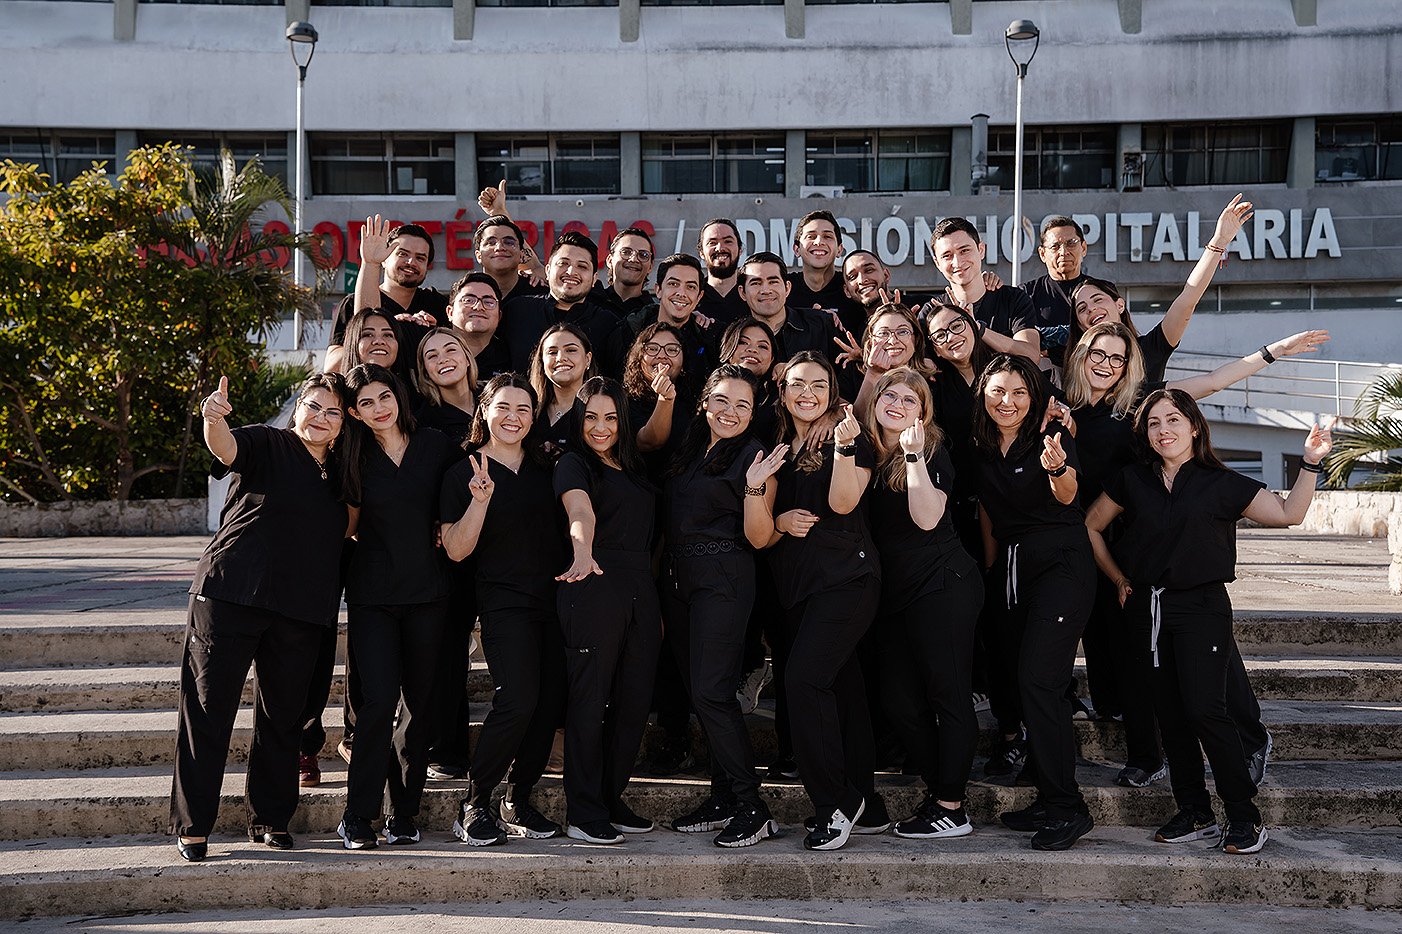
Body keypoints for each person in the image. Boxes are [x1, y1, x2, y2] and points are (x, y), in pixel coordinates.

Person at [1062, 322, 1331, 786]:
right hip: (1107, 539)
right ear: (1080, 355)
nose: (1106, 365)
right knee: (1133, 658)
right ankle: (1149, 755)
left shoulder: (1141, 406)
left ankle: (1243, 740)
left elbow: (1213, 382)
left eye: (1117, 358)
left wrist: (1273, 350)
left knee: (1210, 658)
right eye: (1097, 355)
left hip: (1166, 530)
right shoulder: (1061, 410)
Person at [1086, 390, 1332, 855]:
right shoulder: (1132, 480)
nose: (1164, 430)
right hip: (1149, 609)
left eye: (1174, 419)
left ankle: (1243, 816)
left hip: (1201, 608)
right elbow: (1091, 526)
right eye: (1154, 423)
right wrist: (1118, 578)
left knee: (1204, 711)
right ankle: (1194, 811)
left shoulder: (1220, 482)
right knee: (1171, 718)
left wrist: (1311, 462)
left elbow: (1288, 514)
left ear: (1194, 427)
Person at [170, 373, 352, 863]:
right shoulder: (268, 443)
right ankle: (193, 826)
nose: (321, 417)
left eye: (332, 412)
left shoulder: (342, 474)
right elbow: (226, 448)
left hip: (300, 609)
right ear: (297, 410)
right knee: (208, 709)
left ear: (343, 424)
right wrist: (213, 419)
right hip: (231, 592)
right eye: (313, 406)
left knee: (283, 717)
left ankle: (269, 819)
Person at [746, 351, 887, 851]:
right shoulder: (780, 446)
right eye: (798, 384)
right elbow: (762, 534)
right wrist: (779, 520)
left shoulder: (848, 436)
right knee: (841, 690)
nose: (808, 394)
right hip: (797, 587)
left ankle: (835, 803)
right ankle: (867, 802)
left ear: (833, 390)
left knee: (803, 681)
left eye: (820, 385)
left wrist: (847, 451)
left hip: (846, 580)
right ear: (782, 391)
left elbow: (845, 502)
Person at [972, 353, 1095, 851]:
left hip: (1061, 564)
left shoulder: (1052, 437)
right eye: (999, 391)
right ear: (984, 395)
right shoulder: (979, 447)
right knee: (1023, 686)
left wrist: (1058, 466)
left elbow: (1068, 495)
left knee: (1040, 682)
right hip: (1011, 569)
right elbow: (986, 513)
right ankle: (1048, 796)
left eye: (1020, 392)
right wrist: (989, 570)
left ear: (1034, 397)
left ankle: (1069, 808)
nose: (1009, 401)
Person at [335, 364, 459, 850]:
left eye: (384, 397)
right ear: (354, 412)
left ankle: (403, 813)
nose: (378, 408)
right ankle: (357, 814)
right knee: (378, 702)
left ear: (398, 396)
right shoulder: (353, 454)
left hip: (430, 592)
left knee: (419, 707)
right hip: (372, 596)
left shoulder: (435, 445)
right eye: (365, 403)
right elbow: (345, 524)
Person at [442, 375, 567, 846]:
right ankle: (474, 803)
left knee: (548, 703)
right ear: (484, 410)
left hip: (555, 602)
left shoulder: (548, 464)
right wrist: (479, 501)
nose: (513, 417)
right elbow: (455, 549)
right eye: (503, 407)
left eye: (524, 409)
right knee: (517, 699)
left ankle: (518, 798)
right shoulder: (462, 472)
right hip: (503, 602)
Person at [862, 367, 984, 839]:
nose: (896, 403)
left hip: (942, 584)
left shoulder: (931, 451)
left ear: (923, 412)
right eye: (888, 395)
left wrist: (912, 457)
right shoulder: (865, 452)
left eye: (909, 399)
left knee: (948, 694)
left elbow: (929, 517)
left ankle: (951, 806)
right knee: (897, 699)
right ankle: (940, 791)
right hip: (894, 594)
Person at [662, 364, 779, 847]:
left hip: (725, 577)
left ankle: (754, 806)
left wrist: (754, 486)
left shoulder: (754, 455)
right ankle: (723, 797)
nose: (731, 412)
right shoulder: (689, 448)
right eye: (722, 401)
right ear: (704, 402)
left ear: (754, 414)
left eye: (743, 405)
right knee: (701, 694)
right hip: (680, 581)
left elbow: (759, 535)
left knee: (713, 692)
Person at [554, 377, 663, 844]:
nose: (601, 427)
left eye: (611, 417)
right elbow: (581, 511)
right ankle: (582, 809)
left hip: (641, 588)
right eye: (591, 417)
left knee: (634, 700)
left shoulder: (635, 468)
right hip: (593, 580)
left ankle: (610, 796)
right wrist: (582, 549)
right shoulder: (572, 463)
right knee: (589, 699)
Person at [1068, 194, 1255, 382]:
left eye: (1098, 299)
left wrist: (1219, 242)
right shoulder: (1074, 366)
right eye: (1082, 308)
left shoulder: (1150, 349)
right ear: (1079, 324)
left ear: (1120, 305)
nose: (1091, 309)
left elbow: (1188, 299)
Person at [412, 326, 480, 781]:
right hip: (450, 545)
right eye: (431, 355)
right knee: (449, 649)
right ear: (424, 371)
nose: (443, 358)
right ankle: (448, 749)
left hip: (510, 543)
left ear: (467, 356)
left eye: (450, 348)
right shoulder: (421, 419)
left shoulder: (501, 403)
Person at [325, 219, 446, 373]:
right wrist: (388, 328)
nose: (411, 262)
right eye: (402, 254)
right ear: (384, 259)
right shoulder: (352, 303)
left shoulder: (436, 303)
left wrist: (438, 334)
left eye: (420, 258)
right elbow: (331, 368)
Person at [502, 232, 622, 375]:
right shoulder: (517, 311)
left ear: (594, 279)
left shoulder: (609, 324)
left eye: (582, 266)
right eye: (563, 263)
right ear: (547, 270)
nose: (571, 271)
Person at [929, 217, 1040, 363]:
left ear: (981, 250)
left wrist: (979, 329)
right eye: (947, 256)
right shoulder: (932, 311)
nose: (957, 262)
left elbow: (1031, 355)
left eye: (964, 251)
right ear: (937, 263)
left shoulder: (1013, 299)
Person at [618, 253, 718, 382]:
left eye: (691, 287)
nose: (681, 293)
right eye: (673, 284)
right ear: (658, 290)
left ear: (699, 297)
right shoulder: (628, 331)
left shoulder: (709, 339)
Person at [738, 252, 837, 363]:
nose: (766, 290)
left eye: (773, 282)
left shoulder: (821, 325)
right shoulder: (735, 337)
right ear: (742, 293)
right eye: (756, 283)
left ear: (787, 288)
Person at [528, 322, 599, 462]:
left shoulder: (602, 409)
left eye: (571, 350)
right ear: (542, 361)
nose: (561, 358)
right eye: (552, 352)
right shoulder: (528, 408)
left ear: (587, 359)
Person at [787, 210, 864, 336]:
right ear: (796, 249)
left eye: (827, 236)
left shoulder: (853, 288)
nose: (818, 242)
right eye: (810, 236)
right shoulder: (782, 288)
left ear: (839, 250)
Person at [446, 273, 512, 382]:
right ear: (450, 312)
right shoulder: (434, 353)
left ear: (499, 316)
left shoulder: (511, 359)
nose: (478, 307)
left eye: (488, 302)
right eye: (468, 300)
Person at [472, 214, 548, 305]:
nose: (499, 247)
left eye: (509, 242)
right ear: (478, 256)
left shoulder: (542, 297)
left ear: (521, 254)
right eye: (491, 243)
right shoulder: (466, 294)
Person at [695, 218, 750, 327]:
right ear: (701, 252)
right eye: (712, 242)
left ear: (740, 250)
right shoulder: (692, 298)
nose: (720, 248)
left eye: (728, 241)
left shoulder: (754, 295)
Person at [592, 227, 658, 318]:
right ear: (610, 260)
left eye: (643, 255)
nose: (634, 259)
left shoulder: (654, 315)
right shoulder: (590, 302)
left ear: (650, 266)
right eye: (626, 252)